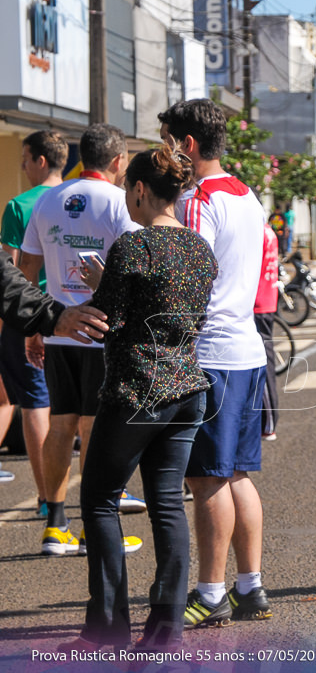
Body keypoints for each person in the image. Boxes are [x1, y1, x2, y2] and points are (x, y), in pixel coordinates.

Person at [59, 144, 218, 654]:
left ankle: (104, 632)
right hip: (187, 389)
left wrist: (95, 292)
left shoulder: (134, 246)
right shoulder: (199, 249)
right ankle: (163, 638)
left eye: (128, 188)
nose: (126, 197)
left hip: (136, 390)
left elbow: (109, 322)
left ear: (141, 189)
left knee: (100, 501)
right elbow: (169, 311)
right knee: (167, 505)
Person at [158, 98, 272, 627]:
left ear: (187, 145)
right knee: (240, 475)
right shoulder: (248, 195)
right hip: (247, 350)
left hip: (211, 354)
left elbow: (188, 276)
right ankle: (249, 587)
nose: (164, 153)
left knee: (207, 481)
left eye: (167, 142)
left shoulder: (198, 199)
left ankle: (210, 592)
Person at [20, 124, 145, 556]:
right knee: (94, 428)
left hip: (57, 330)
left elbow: (26, 268)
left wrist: (35, 326)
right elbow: (133, 267)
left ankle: (55, 524)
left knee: (60, 425)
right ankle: (96, 529)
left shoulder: (49, 199)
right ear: (116, 161)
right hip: (100, 331)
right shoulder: (119, 201)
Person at [0, 130, 68, 517]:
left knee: (35, 405)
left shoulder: (20, 206)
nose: (23, 167)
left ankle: (48, 499)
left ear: (41, 160)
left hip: (30, 317)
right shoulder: (77, 200)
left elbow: (12, 270)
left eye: (25, 159)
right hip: (75, 316)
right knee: (77, 410)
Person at [255, 218, 280, 440]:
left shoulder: (257, 231)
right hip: (266, 299)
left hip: (258, 302)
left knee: (263, 361)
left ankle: (269, 422)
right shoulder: (267, 230)